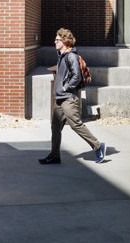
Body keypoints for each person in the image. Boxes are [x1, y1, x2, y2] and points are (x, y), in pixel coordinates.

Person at [38, 28, 107, 164]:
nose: (54, 42)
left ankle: (98, 146)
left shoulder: (71, 56)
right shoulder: (62, 56)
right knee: (55, 128)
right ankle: (54, 155)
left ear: (64, 41)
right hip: (59, 98)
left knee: (76, 124)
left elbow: (77, 76)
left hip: (68, 98)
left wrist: (65, 87)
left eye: (57, 40)